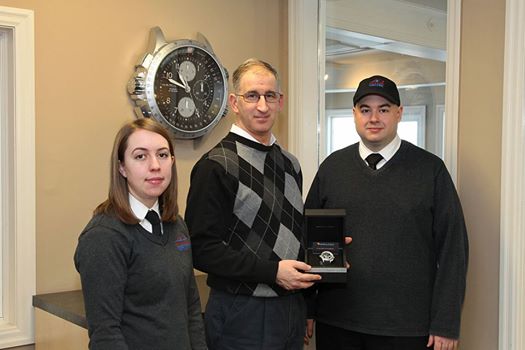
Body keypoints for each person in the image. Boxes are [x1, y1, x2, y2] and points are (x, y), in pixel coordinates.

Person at [304, 75, 469, 350]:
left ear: (399, 113)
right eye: (365, 109)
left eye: (384, 109)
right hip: (337, 322)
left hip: (407, 328)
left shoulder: (430, 171)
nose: (374, 118)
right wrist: (308, 307)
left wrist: (446, 322)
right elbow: (310, 239)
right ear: (354, 114)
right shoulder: (332, 168)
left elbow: (454, 250)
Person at [185, 58, 321, 350]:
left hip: (290, 309)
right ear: (234, 103)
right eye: (252, 96)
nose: (262, 106)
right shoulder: (215, 166)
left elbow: (293, 238)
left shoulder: (290, 164)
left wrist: (326, 259)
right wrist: (272, 272)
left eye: (270, 96)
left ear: (280, 101)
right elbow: (202, 250)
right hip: (240, 312)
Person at [75, 118, 207, 350]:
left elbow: (191, 310)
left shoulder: (176, 225)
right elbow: (105, 335)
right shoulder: (103, 237)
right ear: (122, 167)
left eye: (163, 155)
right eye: (140, 156)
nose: (155, 165)